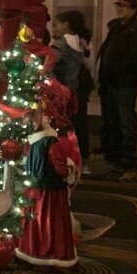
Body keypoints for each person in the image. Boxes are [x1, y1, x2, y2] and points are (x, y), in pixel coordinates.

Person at [16, 79, 81, 269]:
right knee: (52, 224)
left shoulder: (32, 144)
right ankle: (52, 254)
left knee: (34, 225)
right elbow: (60, 168)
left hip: (34, 191)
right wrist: (69, 171)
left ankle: (32, 252)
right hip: (51, 194)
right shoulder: (52, 143)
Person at [96, 0, 137, 174]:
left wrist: (117, 71)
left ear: (134, 10)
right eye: (118, 5)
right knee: (112, 117)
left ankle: (128, 156)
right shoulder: (117, 27)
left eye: (125, 6)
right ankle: (114, 151)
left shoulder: (136, 30)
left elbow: (134, 58)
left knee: (125, 118)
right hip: (112, 81)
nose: (120, 9)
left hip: (125, 82)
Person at [51, 9, 93, 172]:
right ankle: (84, 160)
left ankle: (66, 158)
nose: (53, 29)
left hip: (66, 89)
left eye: (56, 25)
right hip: (80, 87)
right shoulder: (80, 40)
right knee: (81, 123)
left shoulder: (61, 43)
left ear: (66, 25)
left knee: (65, 124)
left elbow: (50, 61)